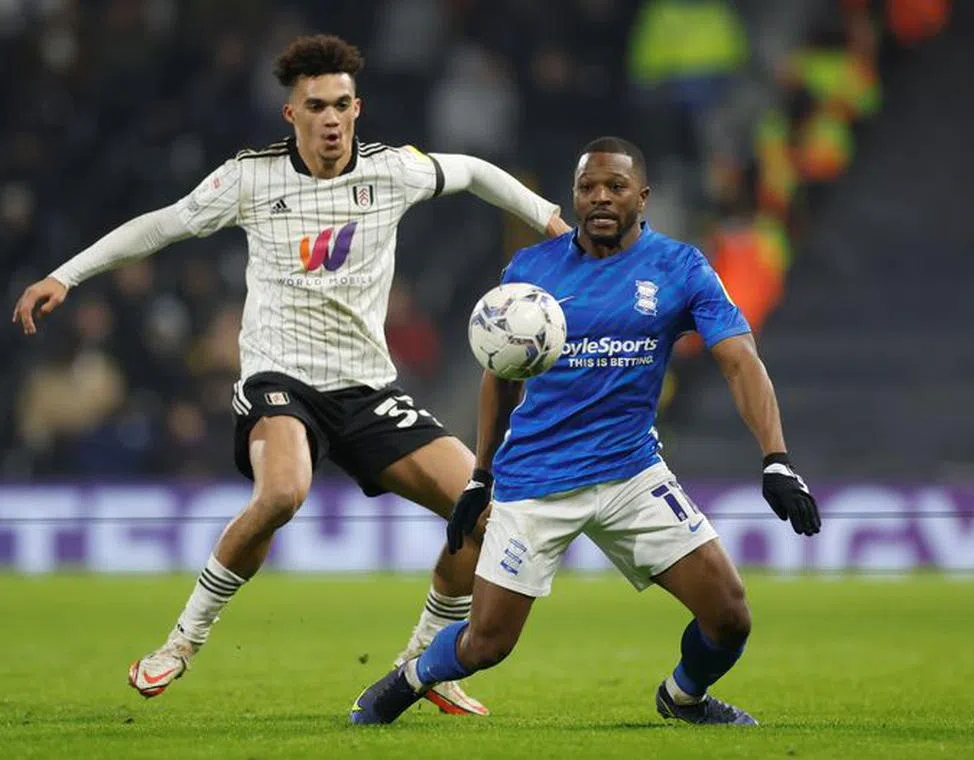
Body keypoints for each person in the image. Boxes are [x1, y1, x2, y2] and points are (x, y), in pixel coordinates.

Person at [12, 34, 568, 716]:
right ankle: (180, 643)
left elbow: (477, 171)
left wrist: (546, 218)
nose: (330, 119)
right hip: (282, 379)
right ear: (291, 114)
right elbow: (162, 226)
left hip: (367, 388)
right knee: (283, 492)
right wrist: (66, 275)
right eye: (315, 106)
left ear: (357, 108)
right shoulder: (250, 178)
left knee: (481, 516)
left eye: (341, 105)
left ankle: (420, 666)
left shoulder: (394, 171)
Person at [350, 136, 821, 726]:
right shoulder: (531, 269)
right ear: (573, 196)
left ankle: (683, 698)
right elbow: (500, 376)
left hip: (631, 474)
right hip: (535, 480)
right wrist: (481, 473)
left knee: (729, 616)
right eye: (587, 187)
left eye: (615, 187)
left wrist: (776, 457)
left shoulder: (679, 267)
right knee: (486, 645)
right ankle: (413, 675)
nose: (599, 198)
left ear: (642, 197)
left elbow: (740, 360)